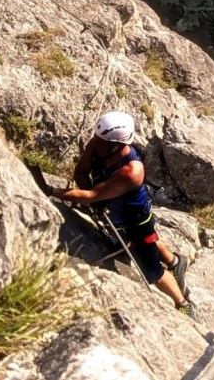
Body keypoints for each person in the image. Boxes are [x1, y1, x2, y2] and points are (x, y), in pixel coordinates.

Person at [49, 111, 196, 319]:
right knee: (146, 242)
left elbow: (91, 195)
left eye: (103, 141)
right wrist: (97, 201)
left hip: (134, 220)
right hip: (118, 213)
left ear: (117, 144)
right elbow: (81, 173)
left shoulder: (131, 171)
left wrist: (51, 191)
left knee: (151, 269)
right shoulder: (101, 143)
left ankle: (182, 303)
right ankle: (174, 262)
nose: (97, 143)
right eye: (98, 138)